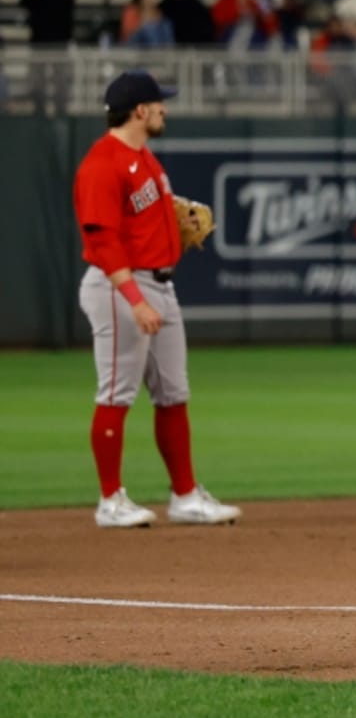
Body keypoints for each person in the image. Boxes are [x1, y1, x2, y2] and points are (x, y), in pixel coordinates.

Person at [72, 70, 242, 529]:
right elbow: (102, 241)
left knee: (174, 393)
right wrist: (134, 299)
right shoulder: (102, 164)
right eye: (159, 102)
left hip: (160, 285)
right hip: (119, 287)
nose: (165, 108)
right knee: (116, 392)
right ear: (140, 110)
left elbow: (144, 218)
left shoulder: (143, 158)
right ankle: (111, 500)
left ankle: (185, 496)